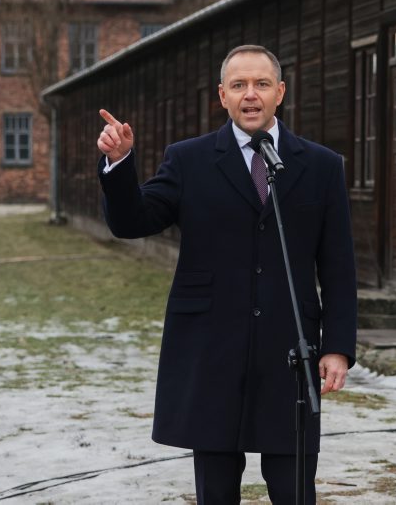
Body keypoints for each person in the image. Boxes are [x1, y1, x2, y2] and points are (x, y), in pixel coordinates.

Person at [96, 45, 357, 504]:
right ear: (222, 96)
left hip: (287, 352)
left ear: (280, 92)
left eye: (260, 84)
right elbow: (132, 221)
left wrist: (337, 346)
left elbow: (337, 265)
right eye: (239, 85)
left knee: (294, 489)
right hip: (211, 348)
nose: (250, 95)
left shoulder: (320, 166)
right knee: (215, 490)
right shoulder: (189, 159)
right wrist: (120, 165)